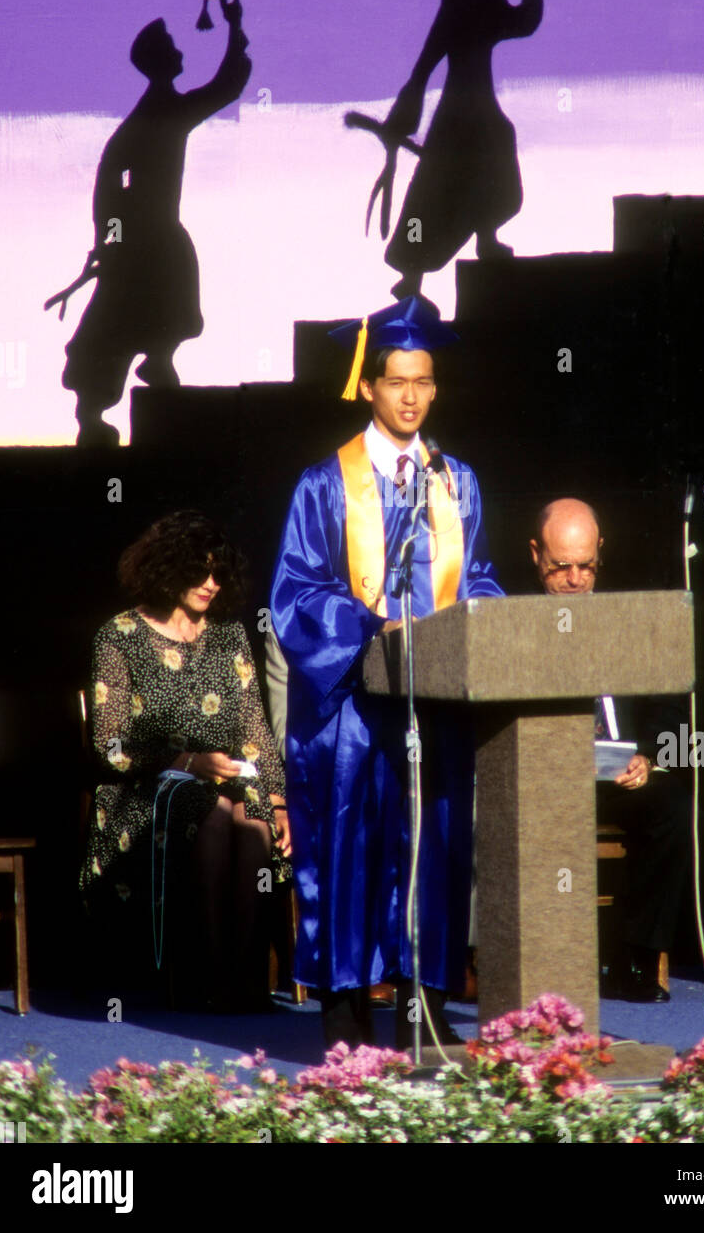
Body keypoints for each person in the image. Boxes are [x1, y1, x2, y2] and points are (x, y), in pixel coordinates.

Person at [271, 296, 504, 1048]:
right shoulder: (324, 484)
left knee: (431, 847)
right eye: (396, 380)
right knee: (349, 850)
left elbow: (480, 578)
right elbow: (298, 594)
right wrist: (373, 628)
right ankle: (344, 1018)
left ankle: (425, 1007)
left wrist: (485, 616)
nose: (411, 396)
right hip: (350, 705)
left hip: (433, 702)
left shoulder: (456, 481)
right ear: (367, 386)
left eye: (424, 381)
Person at [80, 510, 290, 1010]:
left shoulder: (229, 635)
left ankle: (246, 984)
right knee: (213, 815)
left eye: (220, 573)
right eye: (200, 571)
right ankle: (207, 979)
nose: (211, 584)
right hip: (146, 788)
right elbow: (109, 744)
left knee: (254, 820)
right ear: (168, 567)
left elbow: (255, 727)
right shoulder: (120, 635)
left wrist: (279, 800)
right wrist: (189, 761)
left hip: (228, 780)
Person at [55, 0, 251, 446]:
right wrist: (110, 242)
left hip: (152, 237)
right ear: (160, 61)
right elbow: (225, 86)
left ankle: (155, 365)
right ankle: (102, 405)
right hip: (149, 239)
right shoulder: (159, 115)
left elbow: (224, 86)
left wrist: (109, 241)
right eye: (172, 46)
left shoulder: (158, 114)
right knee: (115, 323)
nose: (181, 51)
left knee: (149, 313)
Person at [530, 498, 690, 1002]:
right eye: (561, 567)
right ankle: (544, 969)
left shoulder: (628, 619)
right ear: (536, 555)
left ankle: (638, 962)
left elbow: (667, 703)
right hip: (547, 779)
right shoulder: (513, 623)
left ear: (601, 553)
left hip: (620, 775)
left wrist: (645, 754)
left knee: (671, 805)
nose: (575, 579)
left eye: (586, 565)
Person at [380, 0, 545, 300]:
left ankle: (429, 266)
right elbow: (518, 23)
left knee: (444, 178)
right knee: (449, 176)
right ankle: (428, 266)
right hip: (466, 101)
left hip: (467, 99)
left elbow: (517, 23)